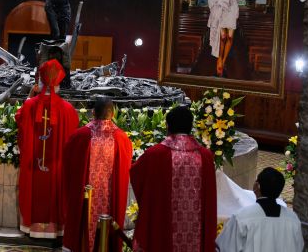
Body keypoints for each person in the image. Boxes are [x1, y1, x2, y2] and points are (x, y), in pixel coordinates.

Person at [130, 106, 217, 252]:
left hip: (163, 232)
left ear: (168, 126)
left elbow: (136, 175)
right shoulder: (205, 157)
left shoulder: (155, 154)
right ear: (191, 127)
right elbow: (210, 201)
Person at [16, 59, 79, 238]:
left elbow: (20, 119)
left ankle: (32, 227)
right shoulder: (67, 109)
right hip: (56, 167)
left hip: (33, 166)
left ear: (40, 80)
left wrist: (30, 94)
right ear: (59, 82)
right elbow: (73, 135)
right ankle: (54, 228)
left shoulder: (30, 105)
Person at [62, 97, 132, 252]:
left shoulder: (79, 136)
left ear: (93, 113)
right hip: (109, 200)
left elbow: (67, 167)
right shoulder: (122, 138)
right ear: (113, 114)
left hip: (85, 197)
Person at [216, 167, 304, 251]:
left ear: (257, 186)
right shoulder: (293, 219)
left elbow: (225, 247)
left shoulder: (242, 217)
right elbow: (299, 247)